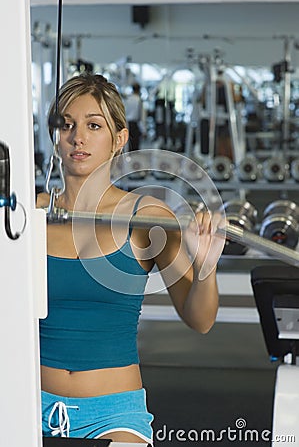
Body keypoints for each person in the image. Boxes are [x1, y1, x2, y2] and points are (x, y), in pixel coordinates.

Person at [37, 73, 224, 444]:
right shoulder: (27, 214)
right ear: (54, 136)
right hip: (27, 401)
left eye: (94, 125)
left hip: (114, 412)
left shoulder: (147, 218)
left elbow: (200, 320)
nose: (78, 137)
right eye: (67, 125)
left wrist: (206, 266)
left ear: (119, 139)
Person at [124, 82, 146, 151]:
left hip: (127, 124)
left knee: (129, 146)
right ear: (139, 90)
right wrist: (144, 130)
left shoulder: (127, 99)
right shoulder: (139, 100)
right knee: (135, 148)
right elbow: (142, 117)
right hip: (135, 125)